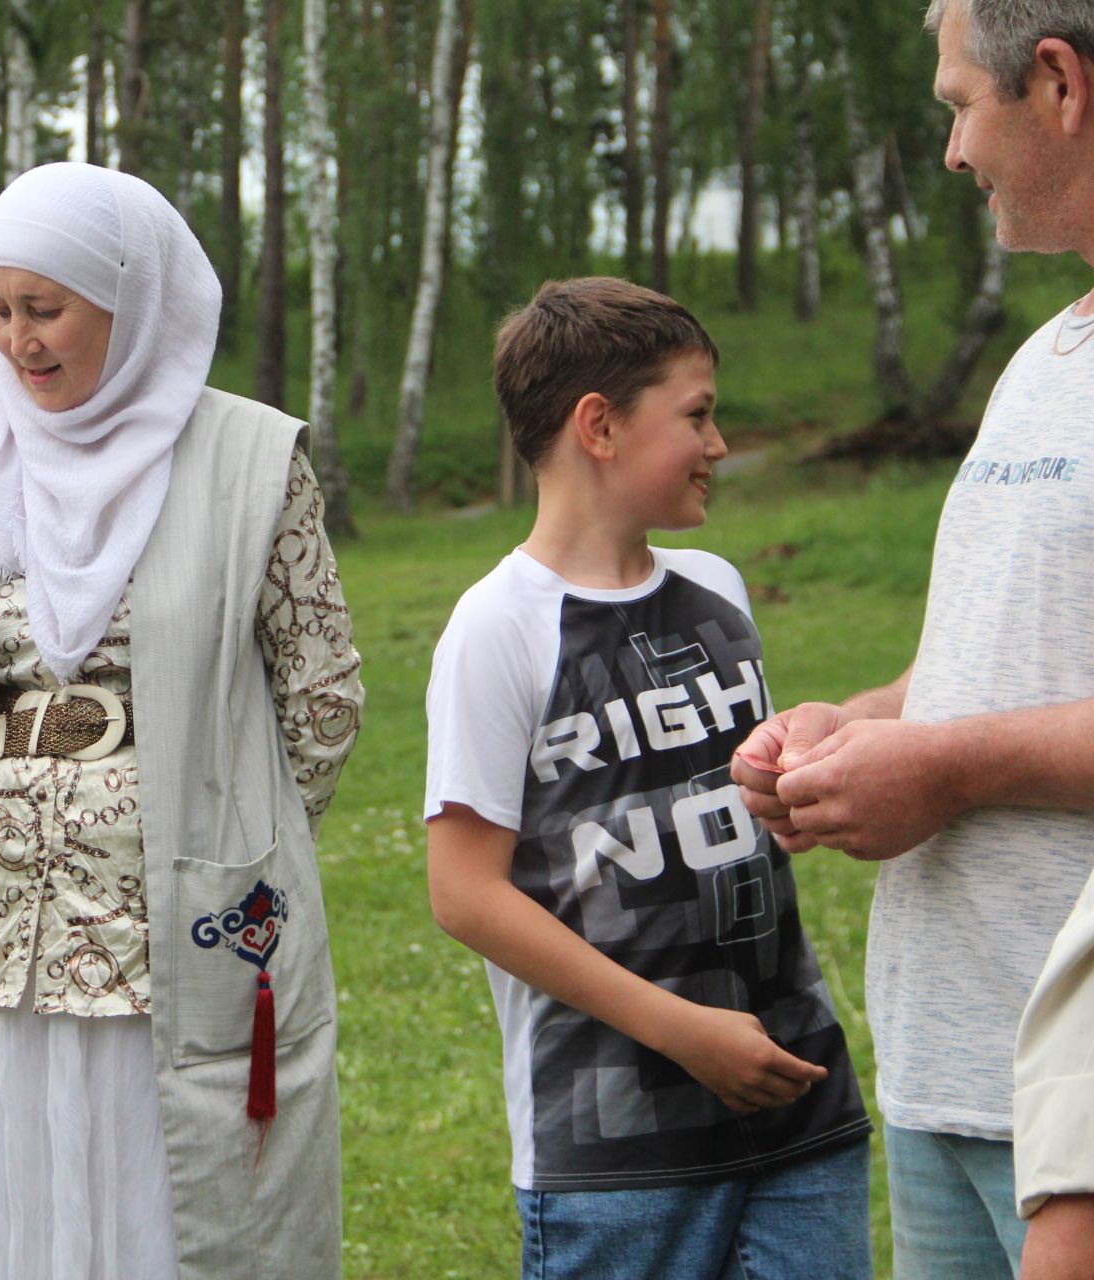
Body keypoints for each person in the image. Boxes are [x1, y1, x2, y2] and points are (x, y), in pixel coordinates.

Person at [0, 162, 364, 1280]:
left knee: (164, 1207)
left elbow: (322, 698)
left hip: (170, 940)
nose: (19, 339)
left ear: (132, 298)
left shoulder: (250, 460)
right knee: (11, 1211)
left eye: (47, 308)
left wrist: (218, 819)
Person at [731, 4, 1094, 1276]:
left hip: (1078, 1106)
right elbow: (1000, 658)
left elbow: (980, 738)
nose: (951, 149)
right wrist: (866, 725)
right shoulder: (1049, 357)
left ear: (1057, 83)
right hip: (952, 1068)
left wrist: (946, 769)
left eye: (956, 104)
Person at [423, 278, 873, 1279]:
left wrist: (791, 789)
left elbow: (731, 804)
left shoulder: (717, 588)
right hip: (618, 1153)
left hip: (802, 1107)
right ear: (600, 426)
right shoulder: (497, 629)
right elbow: (463, 892)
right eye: (699, 414)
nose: (719, 443)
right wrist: (682, 1032)